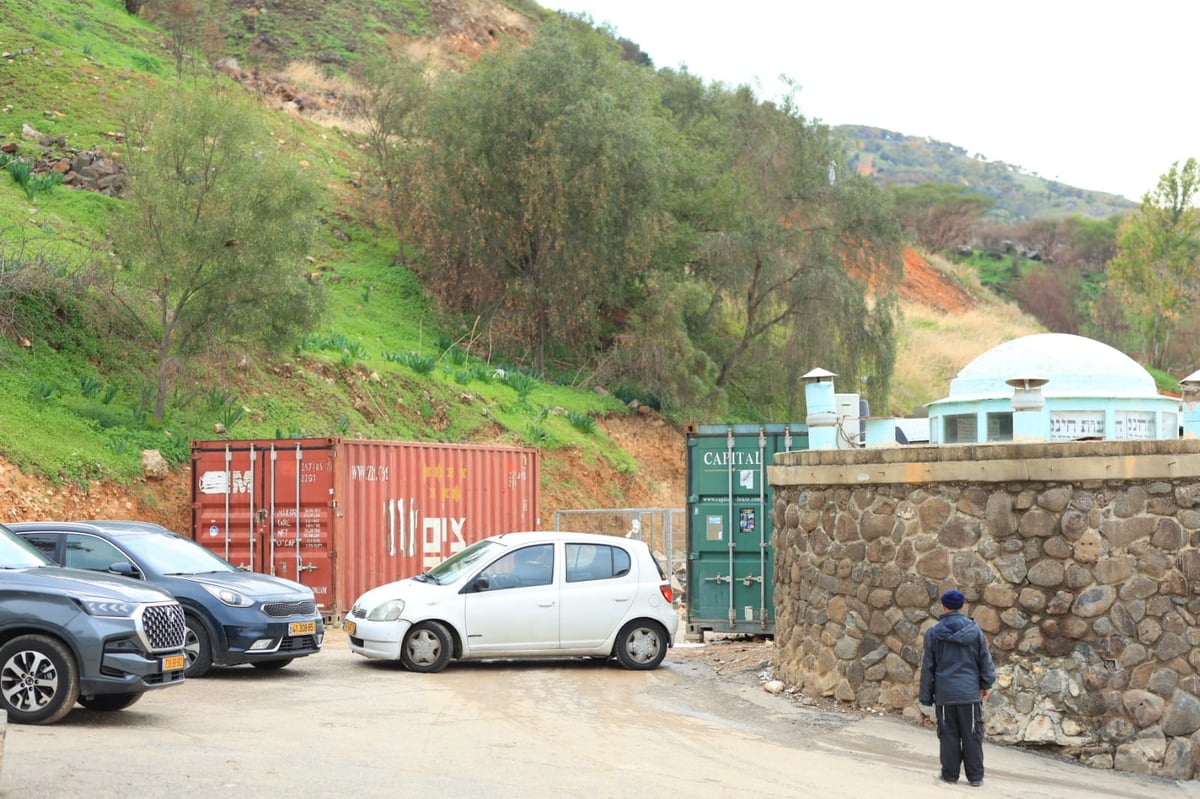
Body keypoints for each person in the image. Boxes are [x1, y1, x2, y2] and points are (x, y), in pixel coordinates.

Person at [919, 589, 996, 787]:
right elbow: (984, 660)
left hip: (945, 695)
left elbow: (928, 666)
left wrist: (926, 696)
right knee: (972, 735)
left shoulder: (934, 633)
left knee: (948, 735)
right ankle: (975, 777)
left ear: (943, 606)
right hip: (970, 694)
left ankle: (949, 775)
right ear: (962, 606)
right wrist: (986, 684)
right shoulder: (974, 630)